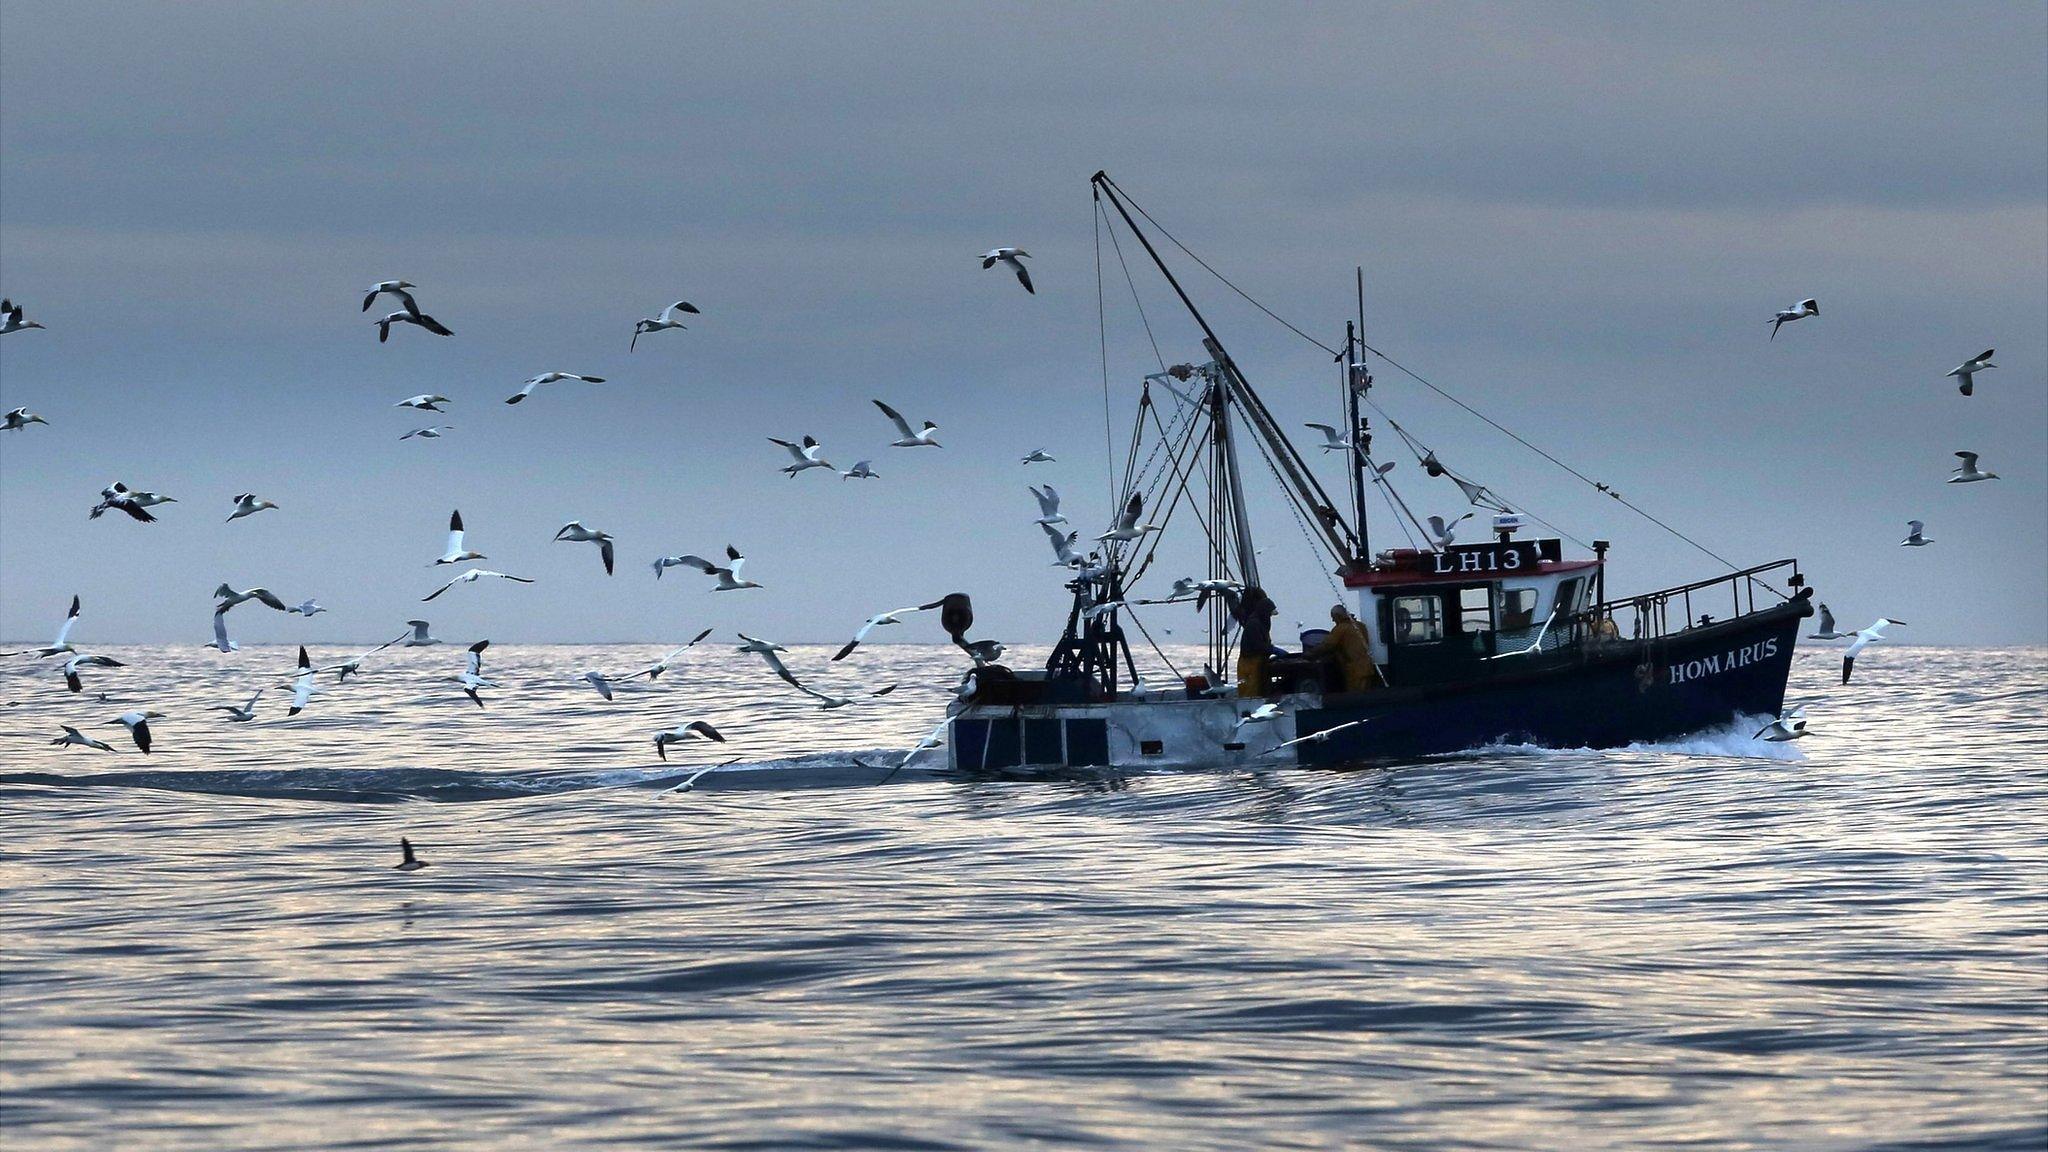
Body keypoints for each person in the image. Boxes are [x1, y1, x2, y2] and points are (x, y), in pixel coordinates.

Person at [1310, 604, 1382, 692]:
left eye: (1333, 617)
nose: (1333, 620)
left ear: (1338, 616)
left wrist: (1310, 653)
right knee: (1365, 697)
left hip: (1355, 671)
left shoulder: (1341, 629)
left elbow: (1327, 645)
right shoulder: (1360, 626)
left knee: (1355, 697)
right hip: (1367, 668)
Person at [1222, 585, 1279, 698]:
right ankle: (1247, 713)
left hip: (1256, 663)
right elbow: (1257, 645)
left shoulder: (1259, 622)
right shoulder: (1254, 624)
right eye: (1269, 613)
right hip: (1248, 664)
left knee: (1258, 691)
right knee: (1250, 694)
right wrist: (1273, 649)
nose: (1270, 616)